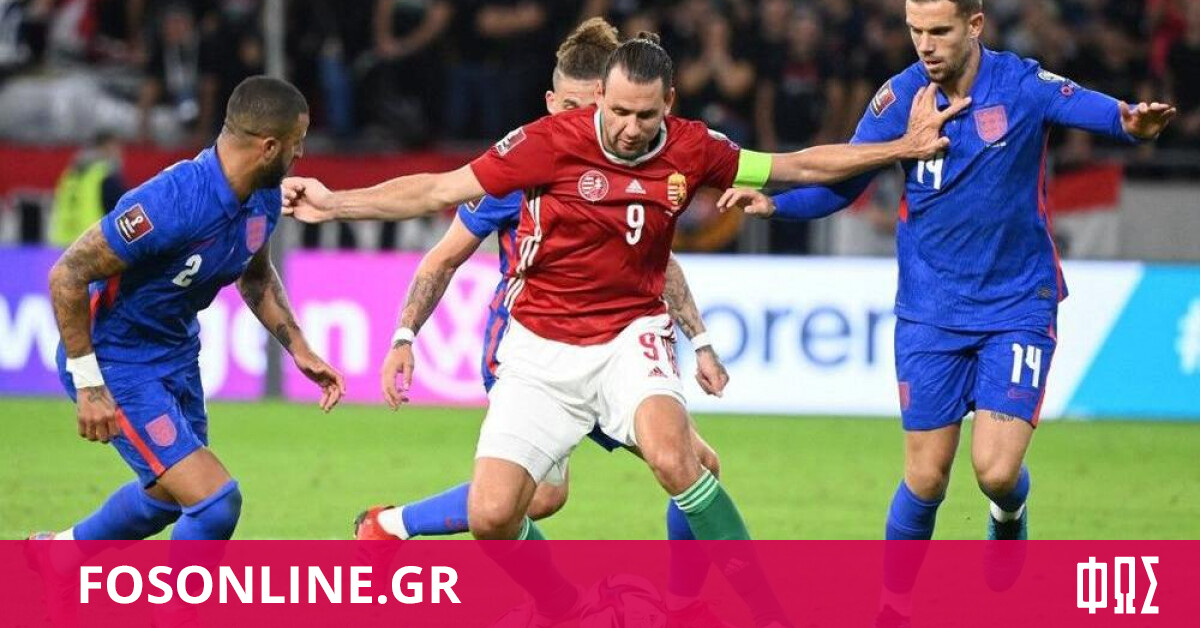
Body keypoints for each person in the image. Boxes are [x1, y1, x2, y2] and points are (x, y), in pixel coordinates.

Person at [283, 32, 957, 626]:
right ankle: (559, 606)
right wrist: (335, 203)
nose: (631, 129)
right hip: (539, 346)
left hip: (631, 337)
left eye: (646, 115)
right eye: (619, 112)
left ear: (669, 105)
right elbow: (439, 190)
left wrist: (902, 147)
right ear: (599, 98)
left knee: (680, 460)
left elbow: (796, 164)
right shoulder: (545, 145)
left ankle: (764, 615)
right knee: (494, 515)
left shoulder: (694, 147)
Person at [716, 0, 1174, 621]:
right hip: (929, 310)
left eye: (939, 31)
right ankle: (893, 608)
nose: (925, 44)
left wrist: (1131, 122)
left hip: (1017, 303)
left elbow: (1097, 110)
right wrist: (777, 204)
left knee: (995, 471)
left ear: (974, 26)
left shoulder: (1020, 84)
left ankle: (1009, 512)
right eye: (915, 31)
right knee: (927, 476)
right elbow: (846, 180)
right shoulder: (897, 100)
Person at [351, 18, 732, 625]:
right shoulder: (524, 165)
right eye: (573, 109)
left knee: (696, 465)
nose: (587, 124)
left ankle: (682, 606)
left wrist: (701, 339)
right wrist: (404, 335)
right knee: (541, 496)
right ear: (553, 103)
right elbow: (443, 256)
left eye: (595, 110)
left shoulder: (633, 165)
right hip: (533, 343)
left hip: (613, 343)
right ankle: (396, 529)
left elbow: (656, 262)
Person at [31, 77, 345, 553]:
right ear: (268, 146)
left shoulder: (262, 198)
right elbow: (68, 274)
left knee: (167, 499)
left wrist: (299, 348)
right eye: (296, 142)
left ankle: (56, 556)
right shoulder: (170, 202)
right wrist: (89, 384)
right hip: (117, 360)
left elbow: (255, 277)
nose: (300, 154)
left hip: (177, 355)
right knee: (214, 501)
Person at [48, 131, 126, 248]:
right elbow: (122, 212)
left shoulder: (70, 174)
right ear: (106, 147)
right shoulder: (105, 175)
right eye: (115, 147)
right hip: (92, 242)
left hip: (64, 242)